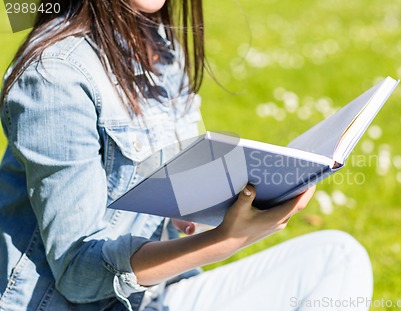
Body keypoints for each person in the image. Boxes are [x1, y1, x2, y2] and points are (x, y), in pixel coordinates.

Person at [0, 0, 373, 310]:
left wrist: (215, 204)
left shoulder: (160, 46)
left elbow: (175, 181)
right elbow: (77, 273)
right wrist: (224, 240)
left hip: (157, 298)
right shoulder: (56, 75)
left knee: (338, 257)